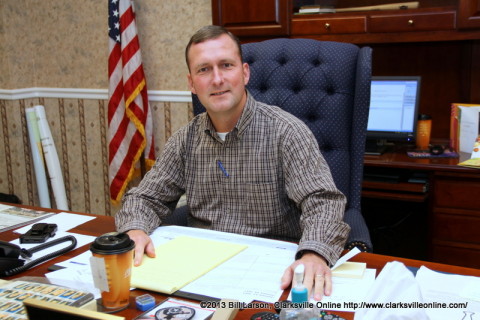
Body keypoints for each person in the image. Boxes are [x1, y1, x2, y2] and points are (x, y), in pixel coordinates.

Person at [115, 25, 350, 301]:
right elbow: (145, 198)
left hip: (271, 275)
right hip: (199, 273)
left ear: (245, 73)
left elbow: (323, 201)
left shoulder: (286, 132)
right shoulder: (185, 139)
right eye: (204, 70)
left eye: (226, 65)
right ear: (191, 83)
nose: (217, 79)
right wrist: (134, 229)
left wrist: (314, 253)